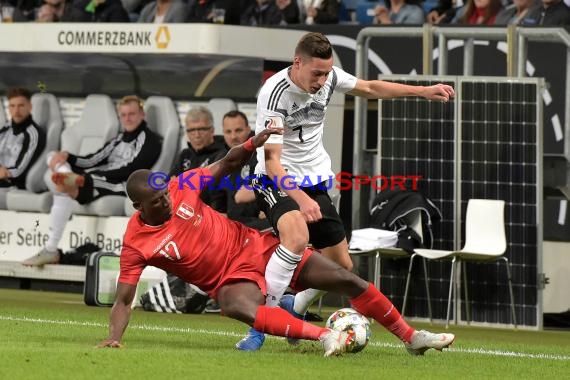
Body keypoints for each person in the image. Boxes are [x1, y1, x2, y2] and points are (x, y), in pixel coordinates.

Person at [97, 128, 455, 357]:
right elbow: (124, 300)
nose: (167, 202)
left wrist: (254, 141)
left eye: (165, 196)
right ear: (138, 207)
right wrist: (115, 336)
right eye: (158, 202)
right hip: (228, 280)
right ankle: (325, 336)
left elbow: (229, 161)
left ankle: (411, 338)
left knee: (347, 278)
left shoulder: (183, 186)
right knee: (235, 305)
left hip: (256, 247)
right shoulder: (136, 244)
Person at [240, 31, 455, 350]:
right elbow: (272, 162)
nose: (323, 80)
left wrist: (422, 91)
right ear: (297, 62)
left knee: (342, 266)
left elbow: (369, 88)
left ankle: (293, 307)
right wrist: (300, 199)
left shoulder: (329, 78)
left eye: (327, 73)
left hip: (313, 180)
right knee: (297, 238)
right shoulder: (275, 94)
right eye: (317, 73)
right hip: (275, 180)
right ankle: (259, 326)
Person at [21, 95, 161, 266]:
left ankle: (51, 248)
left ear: (142, 115)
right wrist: (68, 157)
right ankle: (68, 177)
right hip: (100, 179)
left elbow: (134, 169)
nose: (127, 118)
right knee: (54, 158)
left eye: (132, 114)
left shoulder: (149, 139)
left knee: (76, 183)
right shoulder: (118, 139)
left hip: (125, 185)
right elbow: (93, 159)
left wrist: (95, 175)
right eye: (123, 115)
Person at [169, 106, 228, 214]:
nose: (197, 135)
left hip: (210, 214)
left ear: (212, 130)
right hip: (184, 211)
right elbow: (169, 185)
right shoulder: (185, 155)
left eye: (201, 129)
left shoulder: (223, 154)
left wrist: (181, 186)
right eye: (191, 130)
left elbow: (210, 192)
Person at [222, 110, 270, 231]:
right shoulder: (222, 158)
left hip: (258, 224)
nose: (233, 136)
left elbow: (282, 180)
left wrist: (271, 207)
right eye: (228, 132)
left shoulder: (262, 151)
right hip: (233, 225)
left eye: (238, 130)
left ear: (248, 129)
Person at [0, 87, 46, 190]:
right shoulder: (5, 130)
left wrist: (4, 173)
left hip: (14, 184)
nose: (16, 111)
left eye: (21, 106)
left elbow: (20, 171)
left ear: (29, 107)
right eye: (12, 106)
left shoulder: (33, 134)